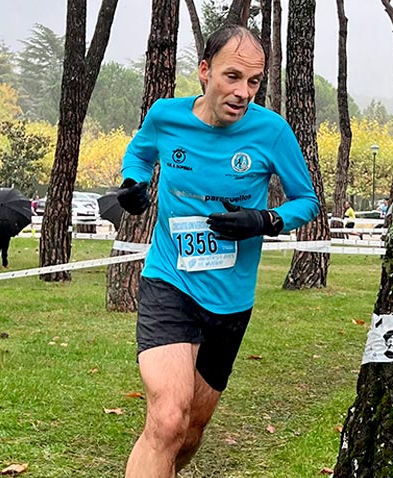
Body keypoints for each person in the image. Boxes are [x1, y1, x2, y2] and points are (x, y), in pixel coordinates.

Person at [116, 25, 319, 478]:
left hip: (229, 303)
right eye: (232, 77)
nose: (243, 92)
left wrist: (264, 220)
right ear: (205, 71)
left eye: (253, 81)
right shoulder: (166, 116)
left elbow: (306, 200)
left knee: (190, 431)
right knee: (168, 420)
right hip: (169, 281)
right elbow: (140, 155)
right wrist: (133, 183)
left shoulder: (271, 132)